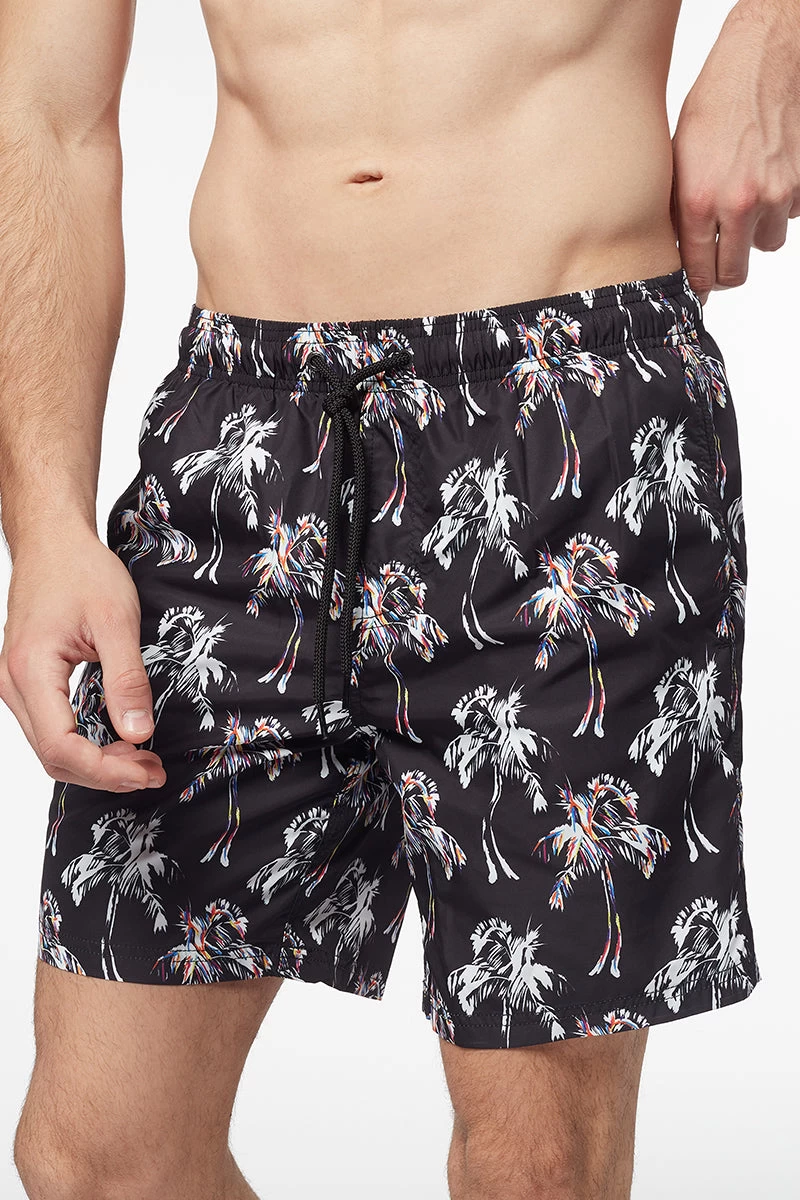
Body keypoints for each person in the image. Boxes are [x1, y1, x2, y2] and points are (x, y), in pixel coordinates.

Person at [1, 1, 796, 1197]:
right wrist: (46, 527)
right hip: (245, 433)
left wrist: (777, 34)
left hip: (561, 418)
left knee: (533, 1168)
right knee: (101, 1159)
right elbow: (47, 113)